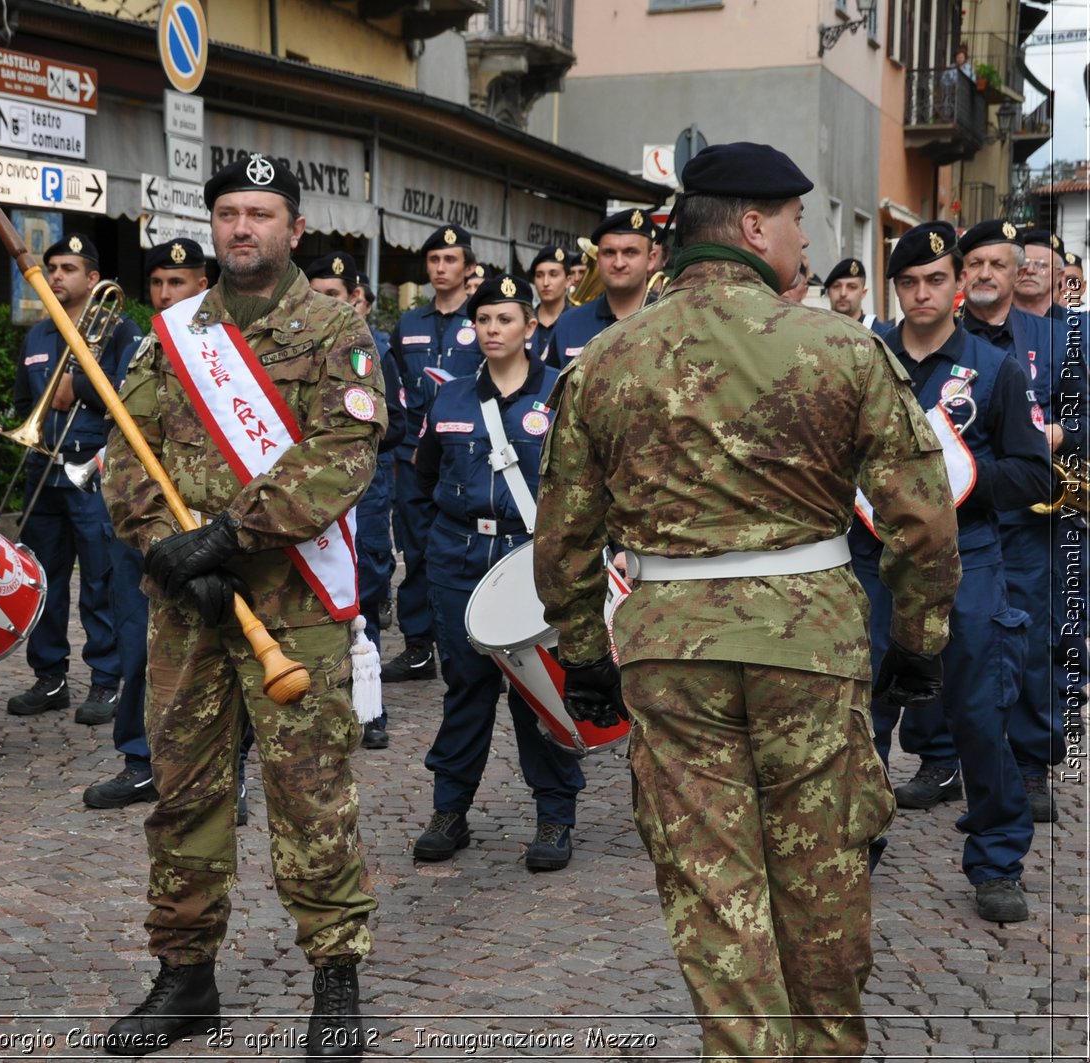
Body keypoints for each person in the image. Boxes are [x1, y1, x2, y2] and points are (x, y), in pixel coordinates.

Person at [535, 141, 959, 1060]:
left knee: (713, 888)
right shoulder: (843, 348)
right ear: (755, 225)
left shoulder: (605, 361)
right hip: (809, 644)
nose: (805, 241)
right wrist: (920, 638)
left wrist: (582, 655)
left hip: (667, 654)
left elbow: (564, 536)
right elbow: (921, 519)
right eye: (799, 221)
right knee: (823, 875)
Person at [101, 152, 383, 1058]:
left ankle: (335, 976)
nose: (242, 229)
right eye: (228, 213)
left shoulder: (335, 328)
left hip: (290, 604)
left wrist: (225, 539)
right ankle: (186, 977)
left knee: (310, 793)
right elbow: (126, 449)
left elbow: (343, 455)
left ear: (294, 228)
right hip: (188, 606)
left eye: (261, 214)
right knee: (182, 790)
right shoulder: (176, 330)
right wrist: (165, 551)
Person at [851, 221, 1049, 921]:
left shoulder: (995, 368)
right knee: (862, 715)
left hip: (970, 560)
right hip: (876, 561)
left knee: (978, 715)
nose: (923, 292)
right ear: (897, 288)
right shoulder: (867, 358)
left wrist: (955, 480)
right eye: (909, 282)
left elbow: (1031, 470)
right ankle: (856, 846)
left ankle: (997, 858)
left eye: (936, 278)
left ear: (958, 282)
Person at [410, 272, 584, 872]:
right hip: (457, 559)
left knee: (540, 694)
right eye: (483, 320)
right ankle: (449, 810)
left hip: (532, 563)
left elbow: (585, 486)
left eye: (505, 319)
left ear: (530, 327)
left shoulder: (560, 394)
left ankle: (555, 815)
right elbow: (422, 478)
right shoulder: (451, 396)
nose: (492, 330)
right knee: (466, 689)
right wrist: (427, 549)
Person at [84, 238, 209, 811]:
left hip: (204, 525)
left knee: (213, 649)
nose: (165, 294)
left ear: (202, 284)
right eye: (157, 283)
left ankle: (223, 769)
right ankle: (139, 760)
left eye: (177, 283)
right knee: (138, 643)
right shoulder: (142, 348)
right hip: (140, 519)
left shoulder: (225, 351)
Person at [958, 219, 1075, 822]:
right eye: (974, 264)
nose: (987, 275)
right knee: (953, 642)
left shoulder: (1058, 338)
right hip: (964, 521)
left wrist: (1061, 432)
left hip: (1033, 523)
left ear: (1015, 272)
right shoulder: (946, 340)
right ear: (962, 274)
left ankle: (1031, 767)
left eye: (998, 264)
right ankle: (946, 759)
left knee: (1032, 645)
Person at [6, 234, 140, 724]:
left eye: (68, 268)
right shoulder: (39, 335)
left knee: (101, 578)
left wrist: (76, 385)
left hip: (93, 467)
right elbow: (26, 399)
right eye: (53, 268)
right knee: (45, 576)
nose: (57, 276)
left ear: (92, 278)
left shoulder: (120, 331)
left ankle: (107, 679)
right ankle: (50, 676)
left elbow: (130, 394)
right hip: (45, 465)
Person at [306, 250, 405, 750]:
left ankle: (372, 705)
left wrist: (352, 436)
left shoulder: (374, 350)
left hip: (361, 494)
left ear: (355, 301)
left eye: (335, 297)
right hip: (306, 495)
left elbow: (400, 425)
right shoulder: (292, 350)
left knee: (363, 593)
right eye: (317, 295)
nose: (326, 304)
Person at [385, 224, 482, 683]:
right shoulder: (409, 324)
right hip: (413, 457)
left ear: (468, 267)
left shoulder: (481, 320)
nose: (441, 268)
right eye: (434, 261)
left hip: (466, 457)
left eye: (450, 260)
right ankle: (418, 646)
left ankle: (473, 638)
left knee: (467, 548)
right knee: (417, 550)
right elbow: (396, 387)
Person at [551, 208, 656, 367]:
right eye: (609, 253)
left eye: (630, 252)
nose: (619, 263)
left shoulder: (674, 319)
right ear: (598, 259)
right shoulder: (569, 324)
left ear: (651, 259)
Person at [353, 271, 399, 636]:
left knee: (366, 581)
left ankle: (367, 690)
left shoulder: (379, 351)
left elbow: (398, 424)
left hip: (367, 479)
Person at [825, 256, 894, 336]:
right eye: (836, 286)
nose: (843, 293)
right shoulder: (818, 331)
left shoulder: (882, 334)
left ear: (863, 293)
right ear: (828, 292)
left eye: (852, 287)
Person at [527, 243, 568, 364]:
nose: (545, 282)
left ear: (568, 280)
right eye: (539, 275)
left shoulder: (576, 322)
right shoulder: (524, 322)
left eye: (553, 274)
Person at [1017, 229, 1066, 319]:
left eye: (1042, 265)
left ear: (1059, 276)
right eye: (1024, 263)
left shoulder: (1077, 327)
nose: (1030, 270)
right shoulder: (991, 318)